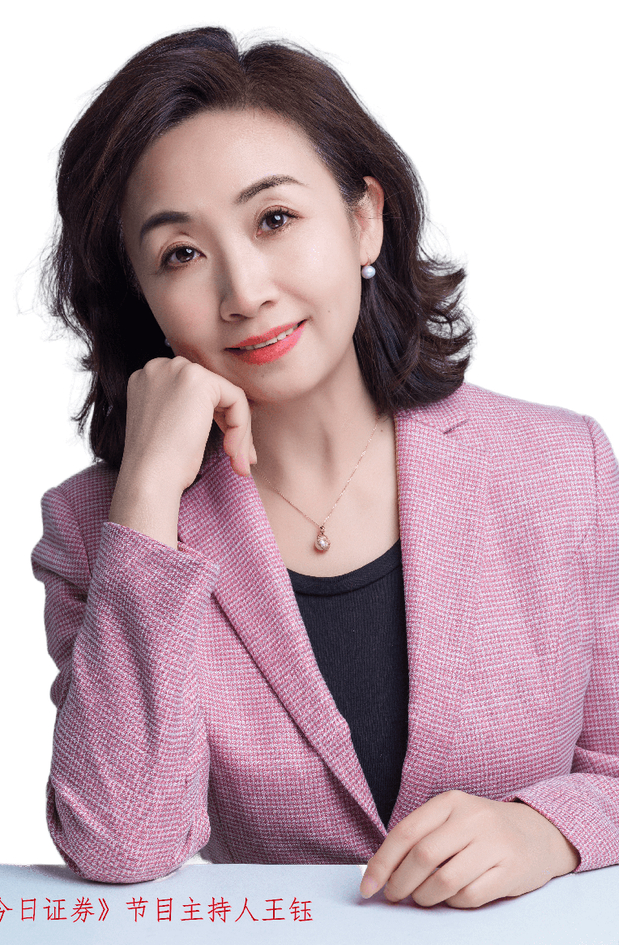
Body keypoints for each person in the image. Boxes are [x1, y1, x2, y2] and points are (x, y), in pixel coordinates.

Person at [32, 26, 619, 908]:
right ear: (142, 296)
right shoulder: (100, 529)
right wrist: (148, 491)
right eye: (180, 253)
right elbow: (121, 842)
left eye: (274, 219)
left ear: (363, 219)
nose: (244, 291)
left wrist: (548, 828)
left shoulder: (563, 468)